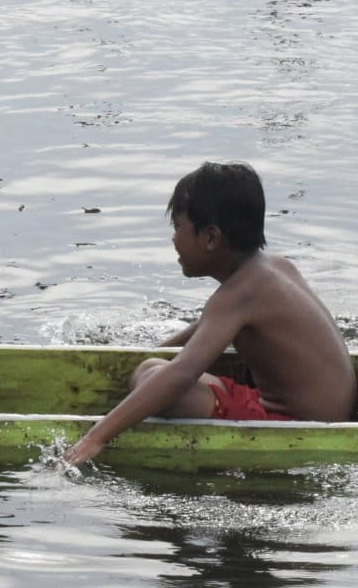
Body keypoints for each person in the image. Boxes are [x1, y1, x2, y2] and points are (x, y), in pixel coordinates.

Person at [64, 161, 356, 466]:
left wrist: (95, 438)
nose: (174, 240)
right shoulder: (274, 268)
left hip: (295, 425)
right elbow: (205, 328)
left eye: (178, 227)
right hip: (332, 413)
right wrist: (147, 354)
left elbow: (182, 373)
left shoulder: (237, 295)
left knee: (153, 374)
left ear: (211, 238)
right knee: (152, 367)